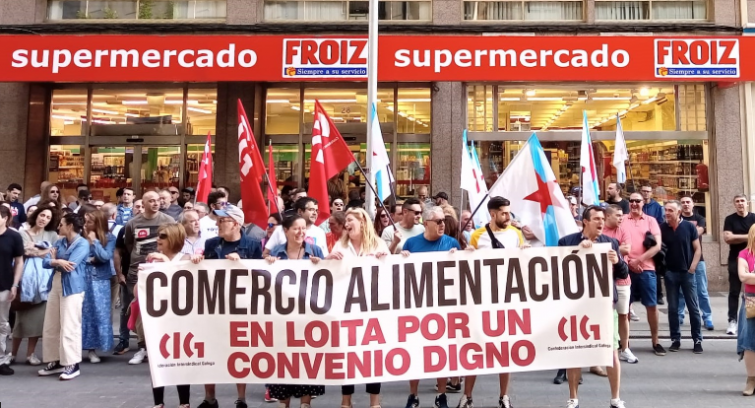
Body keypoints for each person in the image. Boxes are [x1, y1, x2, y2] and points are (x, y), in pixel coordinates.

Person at [191, 205, 262, 408]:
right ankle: (209, 397)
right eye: (218, 220)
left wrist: (243, 263)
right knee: (210, 350)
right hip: (214, 306)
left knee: (240, 352)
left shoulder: (252, 244)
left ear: (237, 223)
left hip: (241, 308)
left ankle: (241, 398)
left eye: (224, 220)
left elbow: (261, 276)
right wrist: (197, 260)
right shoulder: (212, 243)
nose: (218, 224)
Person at [460, 197, 528, 408]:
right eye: (504, 213)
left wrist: (527, 253)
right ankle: (467, 396)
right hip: (481, 300)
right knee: (475, 347)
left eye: (509, 213)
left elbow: (525, 264)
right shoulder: (478, 236)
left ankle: (504, 396)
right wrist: (467, 255)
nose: (508, 217)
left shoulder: (516, 234)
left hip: (507, 300)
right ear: (492, 214)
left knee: (505, 350)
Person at [558, 205, 629, 408]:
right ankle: (573, 398)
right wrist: (579, 252)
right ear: (585, 222)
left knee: (612, 351)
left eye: (602, 219)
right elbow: (559, 272)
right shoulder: (567, 242)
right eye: (596, 219)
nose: (601, 222)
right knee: (575, 351)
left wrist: (617, 262)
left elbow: (623, 274)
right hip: (576, 307)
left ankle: (615, 398)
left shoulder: (611, 243)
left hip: (605, 306)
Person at [326, 208, 389, 408]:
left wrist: (386, 259)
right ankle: (346, 399)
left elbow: (392, 274)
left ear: (362, 222)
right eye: (346, 221)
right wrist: (329, 261)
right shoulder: (341, 245)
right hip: (347, 309)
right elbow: (330, 276)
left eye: (351, 219)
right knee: (347, 353)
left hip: (372, 309)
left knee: (373, 354)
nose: (347, 223)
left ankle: (374, 401)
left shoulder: (378, 244)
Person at [400, 206, 462, 408]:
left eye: (444, 220)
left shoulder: (452, 243)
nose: (443, 224)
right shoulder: (411, 243)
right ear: (426, 223)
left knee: (441, 352)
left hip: (443, 307)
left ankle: (441, 394)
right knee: (416, 352)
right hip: (418, 308)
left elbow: (462, 272)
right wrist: (402, 258)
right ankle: (413, 395)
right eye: (438, 221)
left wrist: (461, 256)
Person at [265, 214, 324, 408]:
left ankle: (305, 404)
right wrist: (267, 262)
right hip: (281, 319)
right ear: (286, 231)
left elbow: (328, 279)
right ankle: (284, 403)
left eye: (303, 228)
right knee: (283, 360)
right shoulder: (276, 252)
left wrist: (321, 264)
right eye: (296, 228)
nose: (301, 232)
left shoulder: (314, 250)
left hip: (307, 318)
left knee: (307, 360)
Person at [121, 191, 175, 364]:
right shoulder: (132, 223)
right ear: (143, 203)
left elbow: (175, 243)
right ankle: (142, 347)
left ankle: (159, 347)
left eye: (158, 200)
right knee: (138, 310)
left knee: (159, 310)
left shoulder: (169, 221)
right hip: (137, 272)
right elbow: (129, 245)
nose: (155, 203)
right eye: (151, 201)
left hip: (161, 273)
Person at [144, 222, 192, 408]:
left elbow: (182, 285)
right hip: (158, 318)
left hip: (181, 319)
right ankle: (158, 403)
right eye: (158, 235)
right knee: (157, 360)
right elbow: (140, 291)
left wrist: (164, 262)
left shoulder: (187, 258)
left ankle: (184, 403)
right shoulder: (152, 260)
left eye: (163, 236)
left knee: (180, 361)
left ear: (174, 238)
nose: (158, 239)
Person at [38, 213, 89, 380]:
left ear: (70, 226)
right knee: (51, 324)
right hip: (56, 283)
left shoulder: (82, 244)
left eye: (61, 224)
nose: (58, 227)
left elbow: (70, 266)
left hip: (73, 287)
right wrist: (57, 261)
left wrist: (56, 260)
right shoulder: (59, 242)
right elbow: (46, 261)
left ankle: (72, 364)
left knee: (69, 325)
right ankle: (56, 360)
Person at [10, 204, 58, 367]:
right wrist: (42, 251)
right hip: (26, 281)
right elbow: (23, 252)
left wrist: (36, 251)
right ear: (36, 215)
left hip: (44, 283)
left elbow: (54, 252)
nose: (44, 219)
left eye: (48, 217)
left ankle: (31, 354)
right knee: (20, 320)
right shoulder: (23, 233)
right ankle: (13, 353)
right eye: (42, 215)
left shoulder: (52, 234)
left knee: (37, 322)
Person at [623, 192, 665, 356]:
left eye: (637, 201)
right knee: (624, 307)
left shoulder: (651, 221)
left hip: (647, 268)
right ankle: (625, 342)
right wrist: (628, 263)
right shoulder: (622, 219)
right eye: (631, 201)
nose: (634, 204)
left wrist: (638, 261)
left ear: (643, 203)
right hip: (625, 269)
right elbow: (616, 242)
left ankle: (656, 341)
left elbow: (657, 246)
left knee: (651, 306)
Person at [660, 200, 703, 354]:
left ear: (678, 212)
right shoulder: (662, 227)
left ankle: (697, 340)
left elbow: (697, 249)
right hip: (670, 274)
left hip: (687, 273)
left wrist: (692, 268)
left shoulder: (689, 227)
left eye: (670, 210)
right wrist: (664, 270)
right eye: (665, 210)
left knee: (693, 308)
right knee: (672, 308)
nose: (667, 213)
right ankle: (675, 339)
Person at [78, 208, 116, 363]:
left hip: (99, 280)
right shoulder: (79, 237)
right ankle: (77, 348)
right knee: (80, 314)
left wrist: (94, 242)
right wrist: (90, 258)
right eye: (85, 221)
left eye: (90, 222)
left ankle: (93, 349)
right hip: (80, 278)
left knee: (98, 313)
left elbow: (105, 257)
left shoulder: (109, 237)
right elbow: (77, 257)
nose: (86, 225)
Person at [602, 205, 636, 364]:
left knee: (623, 314)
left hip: (622, 280)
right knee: (604, 316)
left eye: (622, 215)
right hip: (602, 281)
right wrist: (615, 248)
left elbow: (627, 249)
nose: (621, 218)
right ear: (607, 216)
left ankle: (625, 348)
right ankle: (604, 348)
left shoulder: (623, 230)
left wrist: (605, 249)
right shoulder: (600, 230)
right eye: (618, 215)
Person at [678, 196, 714, 330]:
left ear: (693, 204)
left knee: (702, 291)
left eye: (688, 202)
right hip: (681, 260)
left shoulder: (700, 219)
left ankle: (707, 317)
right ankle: (679, 315)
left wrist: (682, 232)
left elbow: (699, 231)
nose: (686, 204)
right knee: (680, 291)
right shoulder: (677, 218)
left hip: (698, 260)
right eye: (683, 202)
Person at [724, 194, 755, 336]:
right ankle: (732, 321)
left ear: (747, 203)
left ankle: (751, 320)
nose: (740, 203)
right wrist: (750, 236)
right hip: (735, 258)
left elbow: (733, 237)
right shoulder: (730, 219)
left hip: (752, 258)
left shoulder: (753, 218)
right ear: (734, 204)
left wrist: (737, 237)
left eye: (742, 201)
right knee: (734, 291)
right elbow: (728, 238)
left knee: (752, 292)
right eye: (737, 201)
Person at [0, 206, 25, 375]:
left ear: (5, 218)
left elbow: (19, 262)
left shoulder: (14, 236)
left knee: (2, 324)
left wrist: (15, 284)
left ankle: (1, 360)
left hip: (4, 285)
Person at [264, 197, 329, 257]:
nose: (315, 213)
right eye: (311, 210)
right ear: (300, 211)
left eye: (316, 210)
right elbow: (265, 254)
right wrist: (272, 260)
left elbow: (324, 257)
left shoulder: (320, 232)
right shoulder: (281, 229)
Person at [736, 224, 755, 396]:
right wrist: (749, 276)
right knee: (750, 342)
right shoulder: (744, 254)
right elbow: (743, 276)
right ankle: (751, 379)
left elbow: (749, 276)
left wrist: (752, 275)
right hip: (752, 300)